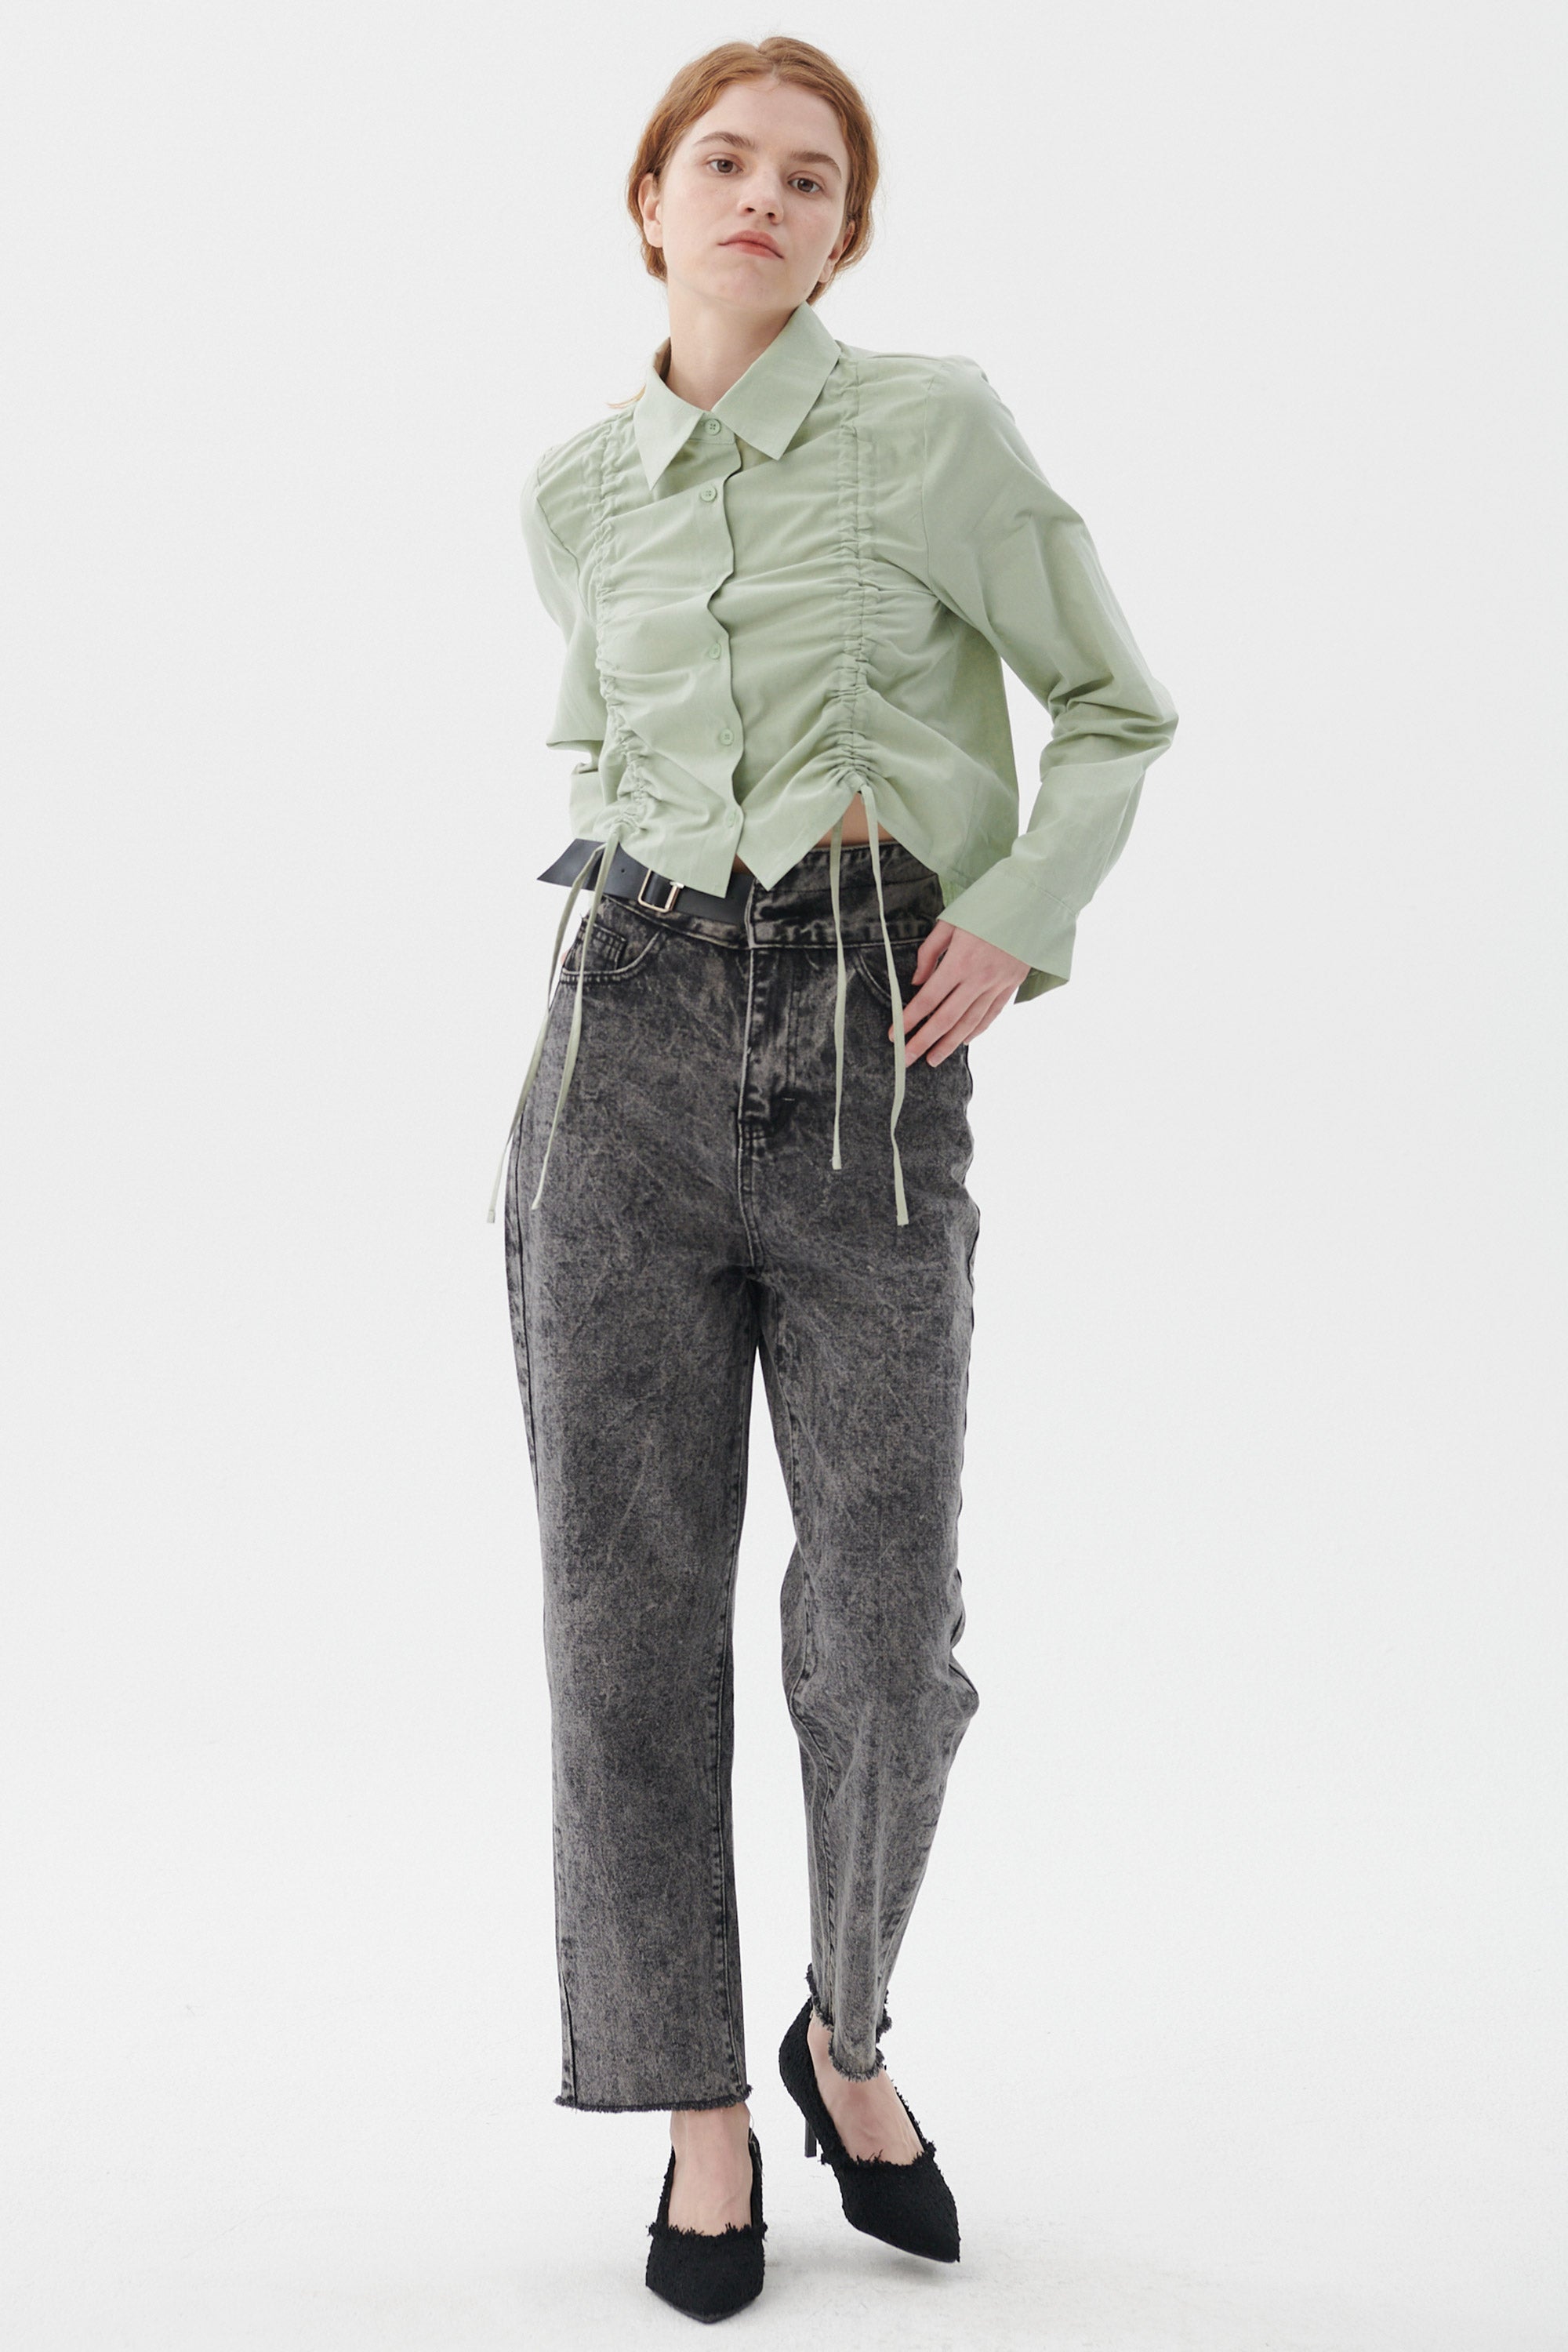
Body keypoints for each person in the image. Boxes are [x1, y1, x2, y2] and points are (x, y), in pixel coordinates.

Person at [490, 34, 1178, 2322]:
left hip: (878, 1041)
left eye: (811, 177)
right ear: (650, 201)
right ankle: (697, 2111)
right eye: (725, 162)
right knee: (622, 1617)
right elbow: (605, 749)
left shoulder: (937, 428)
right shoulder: (574, 491)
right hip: (621, 1047)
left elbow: (1115, 707)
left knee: (885, 1626)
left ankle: (843, 2034)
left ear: (845, 232)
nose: (764, 198)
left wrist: (1021, 911)